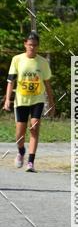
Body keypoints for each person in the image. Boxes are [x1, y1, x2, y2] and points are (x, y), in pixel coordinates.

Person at [3, 32, 56, 171]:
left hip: (37, 99)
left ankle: (31, 162)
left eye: (35, 45)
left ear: (38, 46)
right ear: (25, 44)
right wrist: (8, 99)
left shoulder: (42, 62)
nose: (32, 48)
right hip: (21, 100)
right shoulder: (17, 59)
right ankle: (21, 152)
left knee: (34, 127)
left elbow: (48, 85)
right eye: (30, 45)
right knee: (19, 133)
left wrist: (51, 103)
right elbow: (10, 81)